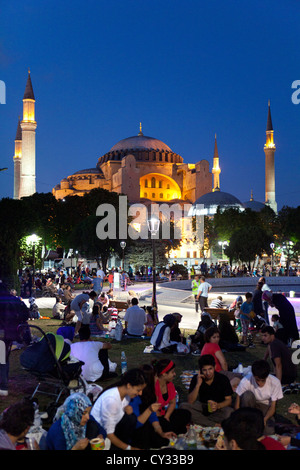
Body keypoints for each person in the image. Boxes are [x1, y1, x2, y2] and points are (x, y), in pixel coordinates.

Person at [90, 368, 147, 450]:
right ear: (129, 385)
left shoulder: (126, 396)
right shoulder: (111, 400)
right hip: (99, 433)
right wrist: (130, 448)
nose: (140, 393)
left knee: (132, 418)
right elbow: (109, 433)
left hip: (113, 427)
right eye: (138, 390)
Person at [129, 364, 176, 449]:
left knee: (165, 428)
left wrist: (161, 432)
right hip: (136, 427)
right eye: (155, 376)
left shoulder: (150, 391)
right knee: (149, 434)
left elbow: (153, 416)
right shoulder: (134, 395)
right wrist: (149, 410)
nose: (157, 378)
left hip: (147, 421)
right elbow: (134, 424)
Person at [179, 354, 234, 426]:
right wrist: (198, 385)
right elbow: (190, 401)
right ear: (200, 370)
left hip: (218, 408)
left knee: (230, 412)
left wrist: (218, 405)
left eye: (210, 369)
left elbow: (229, 400)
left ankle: (201, 421)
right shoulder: (197, 378)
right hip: (202, 406)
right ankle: (213, 424)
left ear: (214, 367)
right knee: (183, 407)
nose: (208, 373)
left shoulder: (223, 379)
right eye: (204, 370)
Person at [235, 359, 283, 435]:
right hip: (250, 406)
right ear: (253, 375)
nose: (259, 383)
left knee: (269, 431)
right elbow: (237, 404)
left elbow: (273, 407)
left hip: (265, 408)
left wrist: (264, 419)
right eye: (257, 380)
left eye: (262, 380)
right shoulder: (246, 381)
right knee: (247, 395)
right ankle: (248, 421)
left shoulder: (275, 382)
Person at [0, 282, 29, 395]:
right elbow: (25, 314)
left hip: (2, 331)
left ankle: (3, 386)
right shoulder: (14, 299)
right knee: (4, 358)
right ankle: (3, 384)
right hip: (10, 332)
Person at [152, 359, 191, 435]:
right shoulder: (154, 385)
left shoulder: (169, 384)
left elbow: (173, 403)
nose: (175, 374)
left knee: (186, 413)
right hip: (154, 416)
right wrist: (164, 421)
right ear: (164, 374)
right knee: (166, 425)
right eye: (172, 372)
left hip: (164, 415)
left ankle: (172, 429)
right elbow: (153, 409)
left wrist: (167, 416)